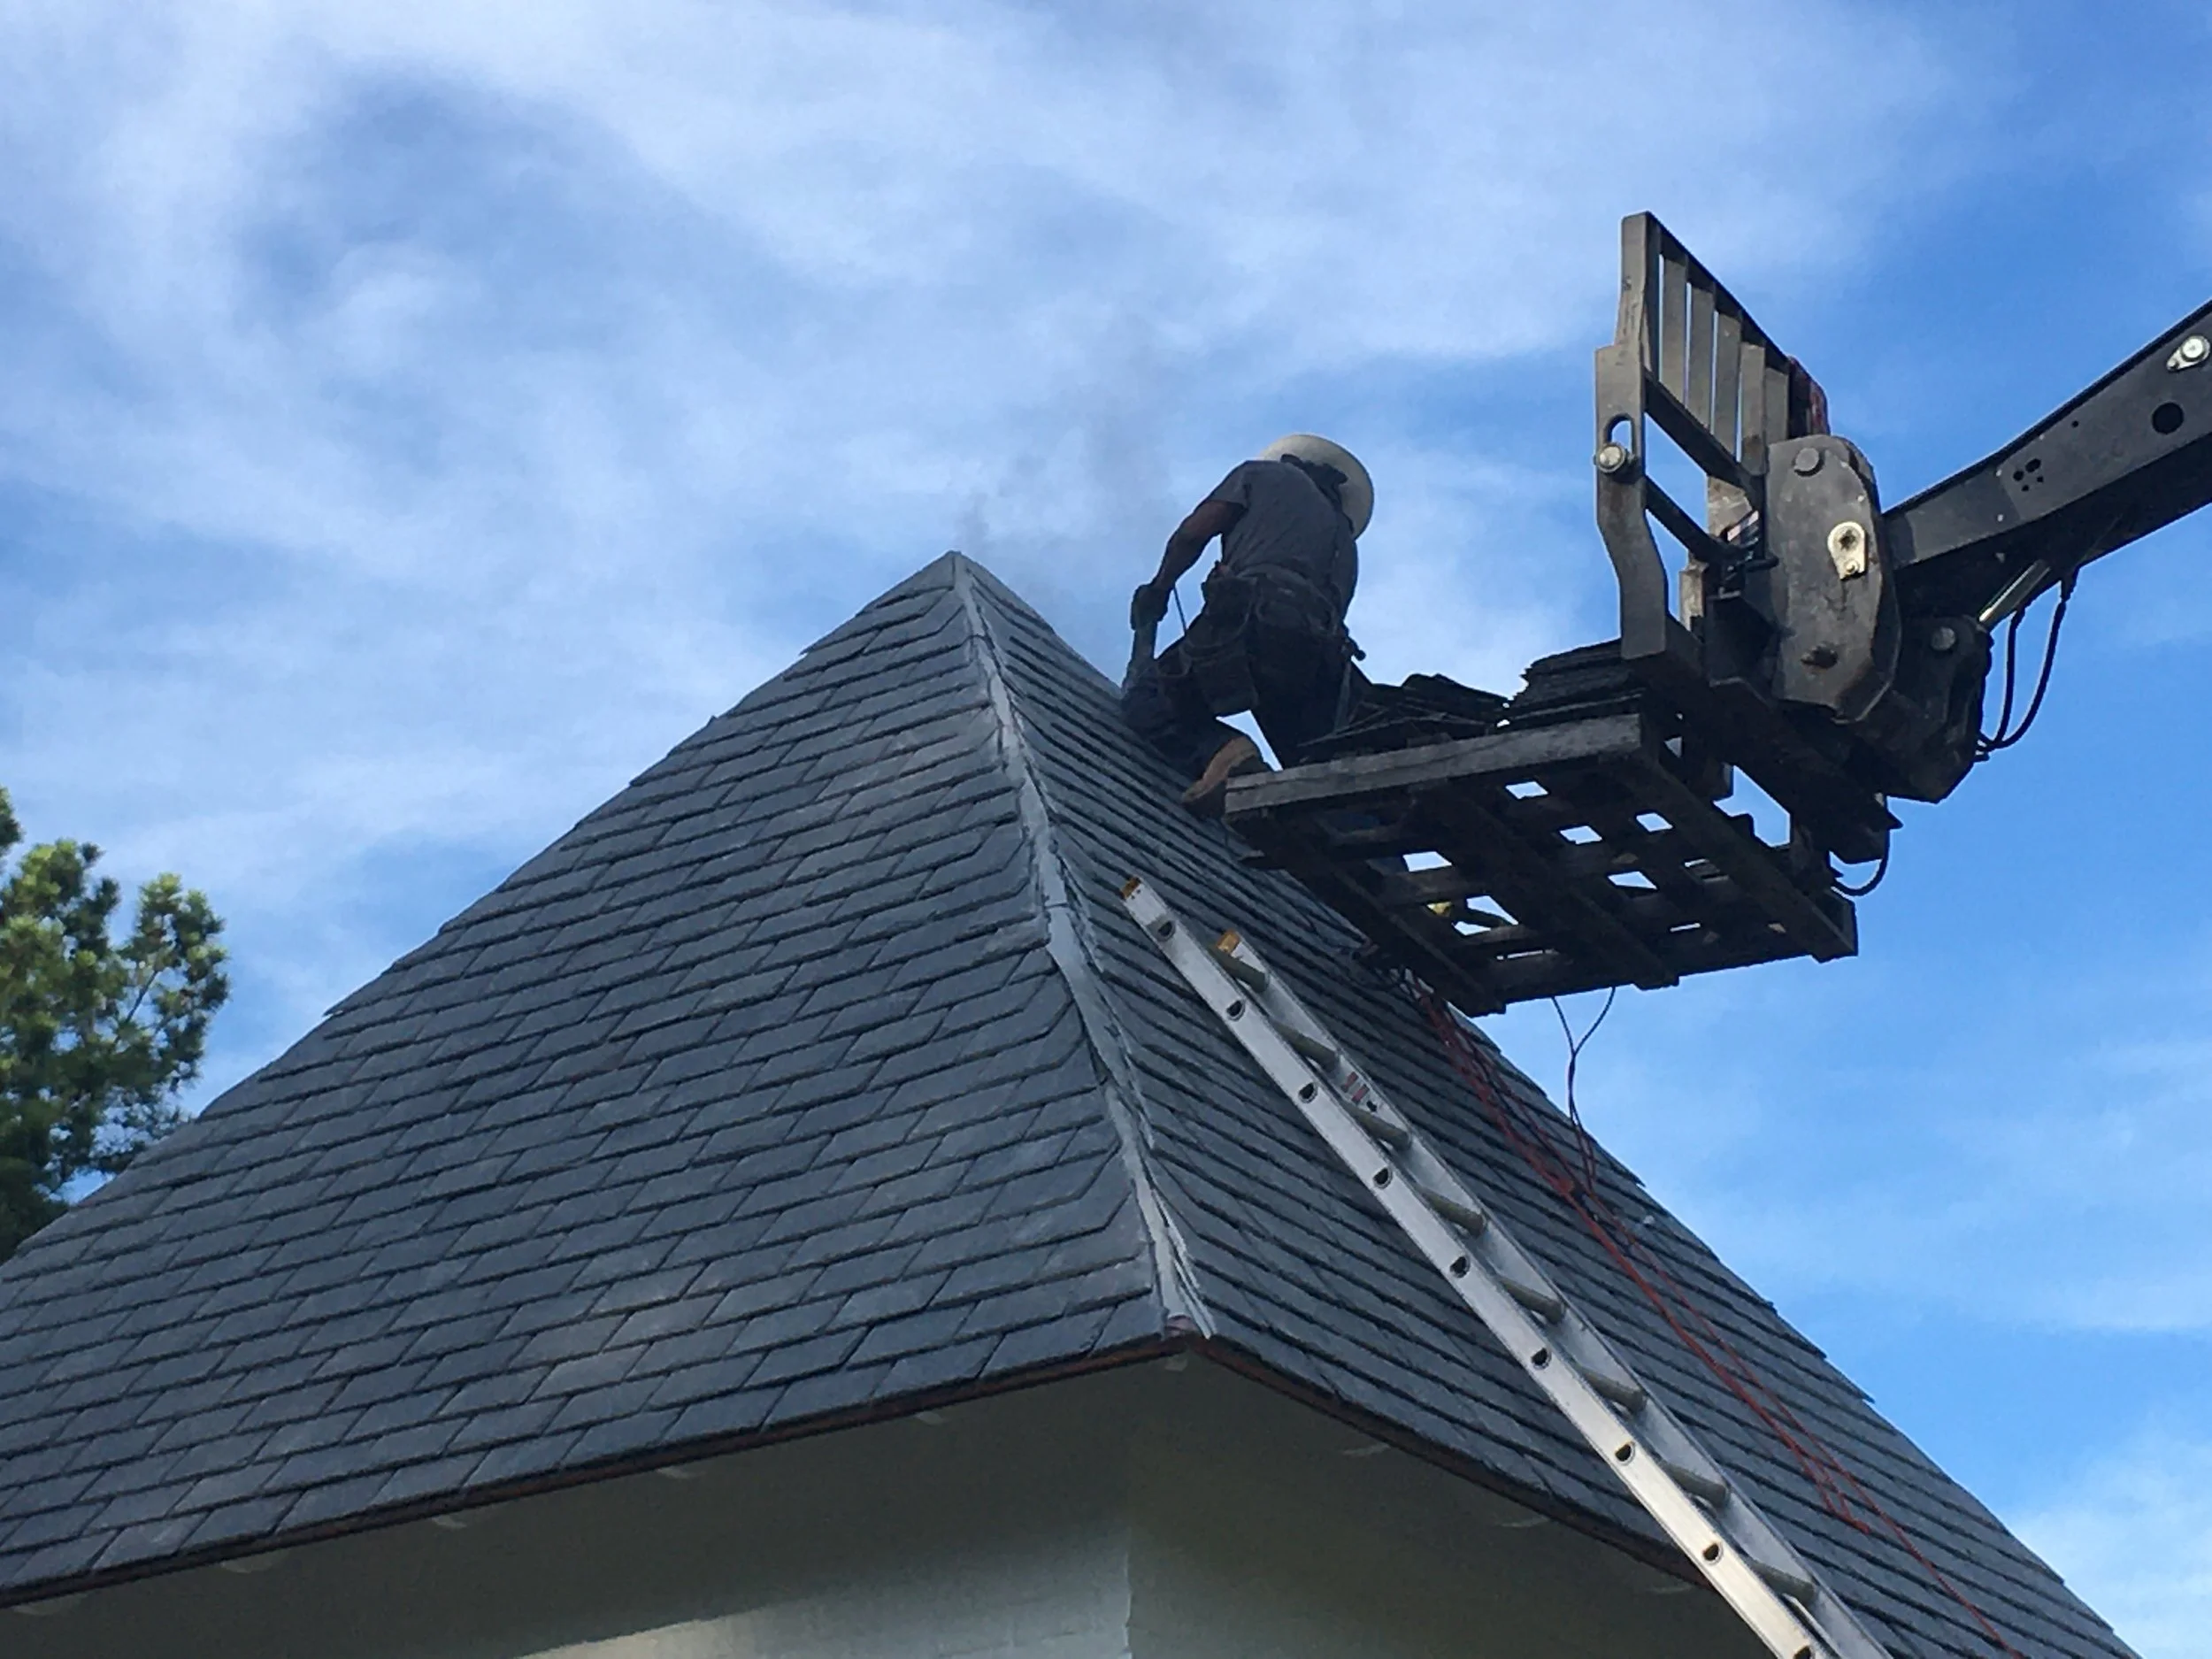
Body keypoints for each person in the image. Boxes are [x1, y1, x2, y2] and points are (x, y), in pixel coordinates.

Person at [1123, 434, 1374, 813]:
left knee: (1148, 700)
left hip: (1257, 618)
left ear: (1289, 460)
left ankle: (1224, 752)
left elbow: (1193, 533)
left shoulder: (1260, 476)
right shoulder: (1347, 546)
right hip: (1319, 658)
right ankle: (1364, 851)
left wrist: (1160, 587)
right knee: (1314, 776)